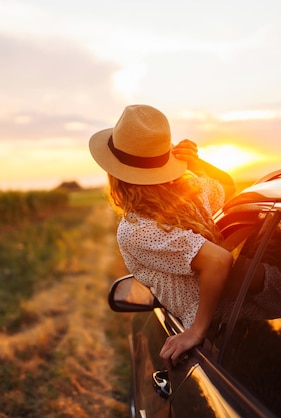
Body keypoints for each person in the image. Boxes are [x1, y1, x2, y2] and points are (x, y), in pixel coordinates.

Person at [89, 104, 236, 365]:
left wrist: (196, 330)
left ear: (115, 174)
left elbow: (218, 260)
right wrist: (198, 163)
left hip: (216, 334)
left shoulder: (136, 230)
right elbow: (227, 186)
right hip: (237, 323)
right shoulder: (190, 194)